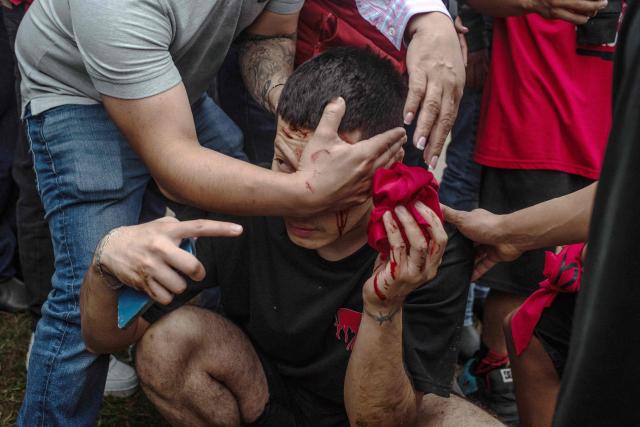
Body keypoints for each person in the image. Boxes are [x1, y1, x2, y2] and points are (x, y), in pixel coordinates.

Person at [15, 1, 406, 425]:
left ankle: (236, 349)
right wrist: (307, 191)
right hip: (78, 93)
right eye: (283, 160)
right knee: (84, 293)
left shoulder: (420, 240)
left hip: (173, 82)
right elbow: (174, 165)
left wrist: (294, 113)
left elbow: (269, 37)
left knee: (243, 200)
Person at [81, 47, 501, 427]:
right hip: (266, 396)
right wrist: (106, 262)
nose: (303, 197)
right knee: (168, 344)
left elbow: (381, 420)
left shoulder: (426, 244)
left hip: (377, 406)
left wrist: (382, 306)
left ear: (386, 166)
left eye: (334, 179)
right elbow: (104, 336)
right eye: (286, 164)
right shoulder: (250, 205)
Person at [452, 0, 617, 421]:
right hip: (532, 112)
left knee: (584, 277)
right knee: (522, 279)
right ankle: (496, 376)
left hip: (608, 122)